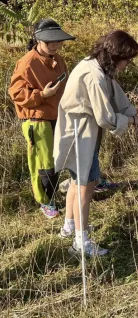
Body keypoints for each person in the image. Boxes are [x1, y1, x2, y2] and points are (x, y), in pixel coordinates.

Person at [54, 30, 138, 257]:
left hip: (82, 133)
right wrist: (134, 120)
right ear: (116, 55)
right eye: (127, 60)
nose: (127, 64)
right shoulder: (94, 75)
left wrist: (134, 113)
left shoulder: (97, 66)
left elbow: (116, 95)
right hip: (80, 135)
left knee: (76, 181)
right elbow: (106, 118)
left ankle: (69, 226)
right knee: (86, 187)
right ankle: (81, 242)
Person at [9, 19, 75, 218]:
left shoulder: (58, 60)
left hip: (57, 116)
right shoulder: (27, 63)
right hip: (37, 120)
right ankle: (45, 201)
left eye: (58, 42)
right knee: (42, 163)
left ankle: (53, 195)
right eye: (49, 42)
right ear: (38, 40)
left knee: (56, 159)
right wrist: (42, 95)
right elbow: (16, 94)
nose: (55, 45)